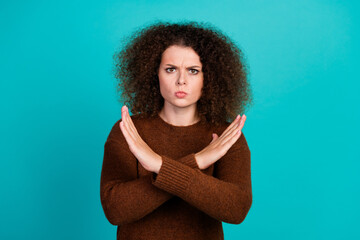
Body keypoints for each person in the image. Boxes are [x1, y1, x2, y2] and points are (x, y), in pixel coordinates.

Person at [100, 21, 254, 240]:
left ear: (208, 78)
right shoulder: (129, 131)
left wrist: (157, 165)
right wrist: (198, 161)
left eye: (193, 71)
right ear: (155, 74)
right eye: (171, 69)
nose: (181, 81)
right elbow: (115, 210)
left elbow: (236, 209)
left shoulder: (226, 136)